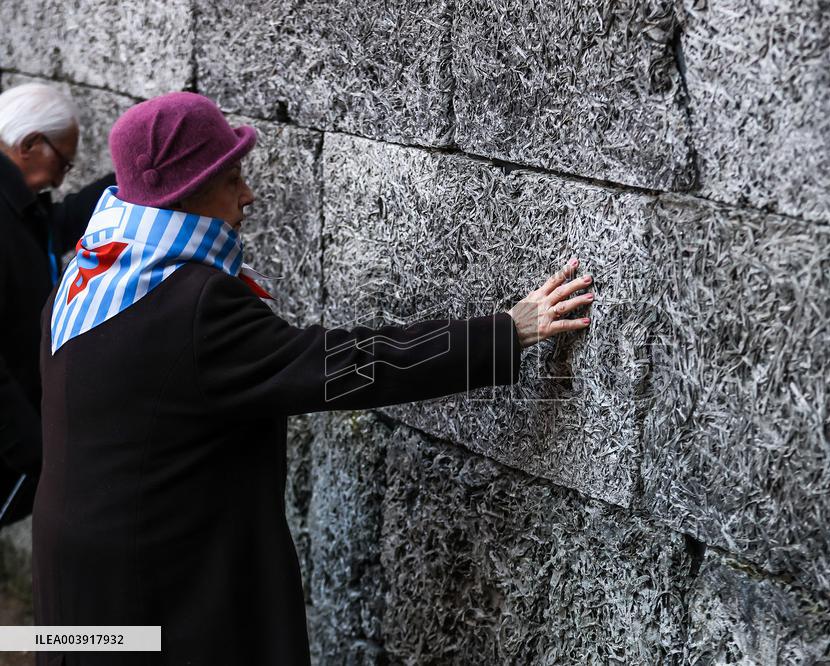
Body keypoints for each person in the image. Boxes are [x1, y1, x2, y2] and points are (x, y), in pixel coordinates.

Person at [33, 91, 594, 665]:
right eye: (232, 180)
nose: (247, 196)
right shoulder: (192, 308)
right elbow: (345, 366)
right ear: (188, 194)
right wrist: (504, 332)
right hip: (156, 589)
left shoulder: (91, 269)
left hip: (72, 581)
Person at [0, 83, 114, 527]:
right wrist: (39, 456)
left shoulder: (18, 207)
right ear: (30, 145)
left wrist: (134, 171)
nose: (62, 177)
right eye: (62, 162)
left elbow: (53, 228)